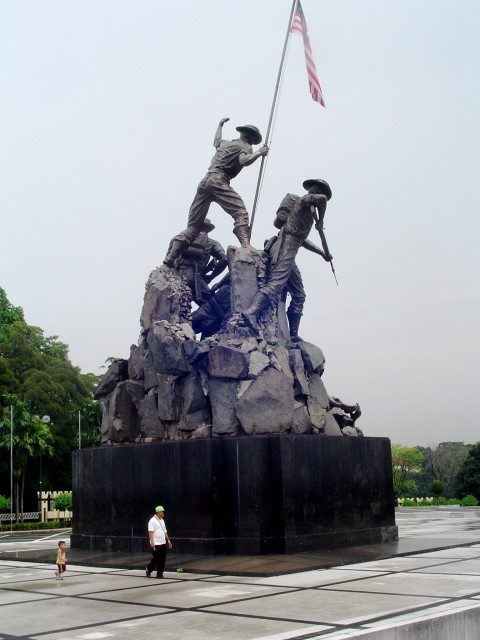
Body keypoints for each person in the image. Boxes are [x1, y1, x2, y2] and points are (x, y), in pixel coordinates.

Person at [164, 118, 268, 266]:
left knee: (193, 227)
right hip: (219, 181)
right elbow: (244, 161)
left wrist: (219, 126)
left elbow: (216, 141)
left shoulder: (227, 143)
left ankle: (170, 258)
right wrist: (259, 153)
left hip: (205, 182)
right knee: (240, 212)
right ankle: (246, 245)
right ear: (251, 138)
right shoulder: (244, 146)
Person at [242, 179, 333, 340]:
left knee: (299, 295)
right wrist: (322, 220)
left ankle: (294, 335)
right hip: (285, 247)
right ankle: (251, 312)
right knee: (276, 284)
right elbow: (322, 200)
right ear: (317, 190)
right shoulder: (304, 201)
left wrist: (322, 253)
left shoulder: (306, 213)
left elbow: (302, 239)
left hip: (292, 247)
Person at [170, 218, 227, 305]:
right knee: (212, 304)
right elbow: (224, 259)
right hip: (196, 277)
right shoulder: (212, 243)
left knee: (176, 304)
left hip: (178, 277)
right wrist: (211, 276)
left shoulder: (178, 239)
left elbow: (168, 261)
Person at [146, 505, 172, 579]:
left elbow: (165, 531)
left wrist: (168, 540)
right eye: (162, 512)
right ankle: (149, 568)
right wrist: (152, 542)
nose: (163, 513)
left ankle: (160, 574)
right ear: (158, 512)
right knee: (157, 558)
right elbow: (150, 532)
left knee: (162, 558)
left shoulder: (162, 520)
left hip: (162, 542)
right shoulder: (152, 520)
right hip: (156, 543)